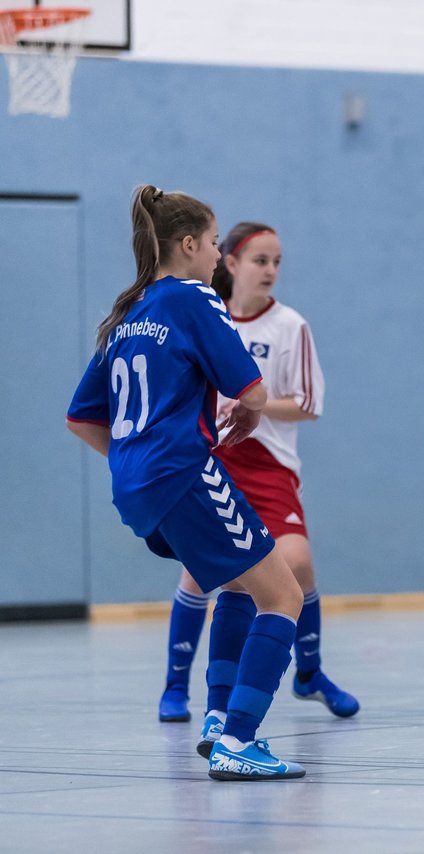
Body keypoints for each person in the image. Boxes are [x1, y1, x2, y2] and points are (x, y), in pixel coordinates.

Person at [67, 185, 305, 781]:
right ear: (191, 244)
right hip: (182, 471)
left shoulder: (130, 311)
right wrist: (248, 413)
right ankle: (238, 742)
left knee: (239, 584)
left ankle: (217, 717)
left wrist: (134, 462)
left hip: (133, 485)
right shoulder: (194, 296)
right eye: (216, 243)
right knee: (285, 595)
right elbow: (250, 392)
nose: (218, 256)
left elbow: (80, 417)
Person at [156, 222, 359, 734]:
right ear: (229, 262)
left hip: (269, 465)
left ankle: (308, 673)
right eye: (259, 260)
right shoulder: (208, 317)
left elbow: (309, 404)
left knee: (297, 565)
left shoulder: (290, 326)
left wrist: (254, 405)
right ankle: (177, 686)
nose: (270, 271)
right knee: (205, 574)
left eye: (276, 261)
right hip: (215, 460)